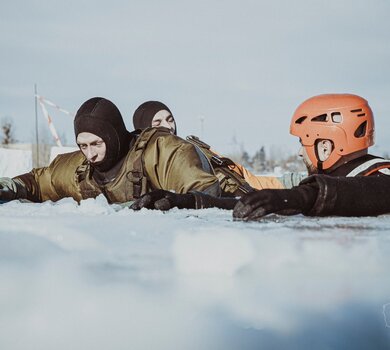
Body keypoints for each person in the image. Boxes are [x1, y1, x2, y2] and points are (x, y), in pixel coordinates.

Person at [0, 97, 223, 204]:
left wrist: (174, 202)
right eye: (83, 146)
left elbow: (206, 193)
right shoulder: (80, 170)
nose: (91, 154)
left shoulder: (162, 152)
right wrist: (10, 186)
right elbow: (40, 181)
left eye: (97, 144)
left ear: (114, 136)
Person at [233, 93, 390, 219]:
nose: (300, 152)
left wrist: (299, 197)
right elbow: (265, 203)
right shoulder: (330, 181)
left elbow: (377, 190)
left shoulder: (381, 176)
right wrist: (212, 202)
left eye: (303, 142)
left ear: (325, 147)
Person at [132, 100, 297, 192]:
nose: (169, 126)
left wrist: (291, 182)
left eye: (170, 119)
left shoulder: (194, 147)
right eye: (158, 122)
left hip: (249, 195)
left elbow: (240, 174)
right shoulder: (141, 165)